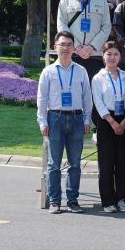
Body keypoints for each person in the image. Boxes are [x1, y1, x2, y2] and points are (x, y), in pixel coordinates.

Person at [37, 33, 94, 213]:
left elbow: (87, 97)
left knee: (75, 163)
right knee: (54, 163)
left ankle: (72, 200)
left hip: (77, 119)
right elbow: (42, 98)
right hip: (55, 118)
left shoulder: (81, 70)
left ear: (73, 48)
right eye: (62, 44)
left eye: (69, 44)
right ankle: (55, 201)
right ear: (55, 47)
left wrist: (86, 119)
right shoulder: (48, 71)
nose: (66, 48)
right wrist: (42, 122)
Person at [91, 44, 125, 213]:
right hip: (106, 121)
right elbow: (98, 103)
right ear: (103, 56)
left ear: (120, 57)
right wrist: (112, 122)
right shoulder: (98, 78)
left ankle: (122, 199)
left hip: (124, 119)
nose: (112, 57)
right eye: (109, 54)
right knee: (106, 163)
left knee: (123, 162)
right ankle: (108, 200)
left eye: (116, 54)